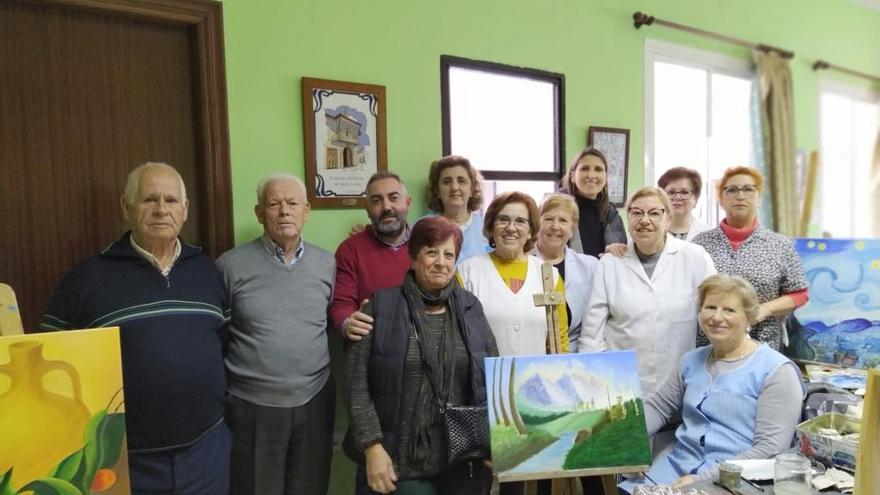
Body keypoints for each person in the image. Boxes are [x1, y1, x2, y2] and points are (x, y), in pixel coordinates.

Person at [40, 162, 229, 494]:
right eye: (149, 199)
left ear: (185, 211)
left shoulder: (208, 271)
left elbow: (225, 345)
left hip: (206, 452)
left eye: (171, 201)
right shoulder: (85, 280)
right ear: (126, 207)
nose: (161, 210)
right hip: (123, 462)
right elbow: (53, 370)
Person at [345, 216, 497, 495]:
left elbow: (492, 376)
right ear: (413, 258)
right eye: (431, 252)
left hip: (464, 457)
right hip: (399, 458)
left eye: (448, 254)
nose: (441, 261)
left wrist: (495, 440)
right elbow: (357, 385)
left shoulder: (470, 308)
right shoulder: (380, 307)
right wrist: (372, 446)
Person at [618, 274, 806, 493]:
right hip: (674, 466)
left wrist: (704, 479)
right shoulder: (691, 360)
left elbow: (770, 449)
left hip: (733, 479)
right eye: (710, 307)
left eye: (729, 310)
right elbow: (658, 408)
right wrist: (627, 446)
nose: (717, 317)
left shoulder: (777, 371)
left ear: (750, 317)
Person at [216, 173, 335, 495]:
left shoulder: (328, 264)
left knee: (310, 487)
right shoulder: (229, 265)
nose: (284, 211)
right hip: (252, 405)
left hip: (314, 399)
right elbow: (217, 335)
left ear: (306, 211)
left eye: (292, 203)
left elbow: (335, 321)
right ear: (259, 213)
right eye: (274, 204)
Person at [578, 187, 716, 397]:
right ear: (627, 217)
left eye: (654, 213)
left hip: (678, 384)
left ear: (668, 219)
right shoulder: (610, 264)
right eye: (636, 213)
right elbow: (591, 335)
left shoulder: (695, 258)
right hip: (620, 386)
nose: (645, 220)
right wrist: (593, 387)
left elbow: (717, 312)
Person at [692, 166, 809, 351]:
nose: (740, 196)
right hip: (709, 345)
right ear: (721, 199)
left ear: (758, 197)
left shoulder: (779, 245)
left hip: (762, 345)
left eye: (748, 189)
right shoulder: (700, 244)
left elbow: (799, 294)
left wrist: (764, 310)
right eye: (731, 190)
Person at [458, 191, 568, 357]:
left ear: (531, 231)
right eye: (503, 219)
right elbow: (457, 339)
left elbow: (560, 340)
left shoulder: (549, 276)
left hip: (537, 379)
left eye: (520, 221)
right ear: (490, 227)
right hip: (483, 380)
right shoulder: (466, 273)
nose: (511, 228)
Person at [332, 171, 413, 341]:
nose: (386, 207)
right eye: (377, 201)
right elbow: (342, 304)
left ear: (408, 203)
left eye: (394, 198)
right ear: (367, 210)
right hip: (373, 349)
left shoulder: (426, 246)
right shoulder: (350, 250)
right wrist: (348, 323)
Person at [534, 193, 598, 352]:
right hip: (532, 352)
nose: (555, 226)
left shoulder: (590, 266)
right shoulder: (523, 263)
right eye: (548, 219)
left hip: (577, 355)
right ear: (537, 223)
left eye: (563, 220)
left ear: (572, 228)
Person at [560, 146, 627, 257]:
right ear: (572, 176)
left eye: (598, 169)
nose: (591, 175)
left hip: (604, 273)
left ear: (605, 177)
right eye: (585, 168)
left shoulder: (612, 215)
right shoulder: (554, 210)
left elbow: (623, 257)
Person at [424, 155, 490, 263]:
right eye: (447, 181)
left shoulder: (488, 228)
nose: (454, 187)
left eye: (461, 181)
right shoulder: (424, 227)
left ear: (472, 189)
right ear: (437, 191)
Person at [657, 166, 711, 242]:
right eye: (671, 192)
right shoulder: (651, 231)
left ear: (696, 198)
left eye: (684, 192)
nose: (677, 197)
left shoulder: (708, 235)